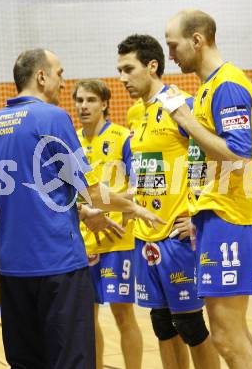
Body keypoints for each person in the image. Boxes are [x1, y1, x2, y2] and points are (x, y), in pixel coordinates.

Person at [0, 48, 164, 369]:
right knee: (72, 360)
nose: (63, 84)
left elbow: (32, 192)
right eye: (59, 74)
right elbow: (93, 192)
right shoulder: (52, 117)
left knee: (26, 361)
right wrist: (133, 207)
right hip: (57, 264)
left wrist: (80, 212)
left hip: (11, 267)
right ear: (41, 76)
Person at [161, 10, 252, 368]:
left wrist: (186, 121)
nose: (170, 54)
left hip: (230, 218)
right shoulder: (207, 89)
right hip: (214, 217)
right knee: (233, 333)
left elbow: (238, 154)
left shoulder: (227, 86)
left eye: (173, 45)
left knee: (225, 335)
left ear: (197, 40)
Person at [117, 34, 220, 369]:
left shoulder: (181, 104)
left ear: (152, 65)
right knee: (162, 325)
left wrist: (198, 215)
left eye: (128, 69)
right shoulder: (134, 114)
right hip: (146, 236)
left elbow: (216, 159)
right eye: (119, 70)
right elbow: (149, 172)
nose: (122, 78)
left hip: (178, 239)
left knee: (190, 326)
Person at [72, 79, 143, 369]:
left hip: (118, 240)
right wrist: (85, 209)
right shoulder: (71, 140)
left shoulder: (123, 137)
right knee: (87, 318)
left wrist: (108, 205)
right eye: (79, 100)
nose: (83, 106)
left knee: (123, 314)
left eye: (90, 100)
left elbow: (139, 185)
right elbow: (67, 189)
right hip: (82, 239)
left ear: (104, 103)